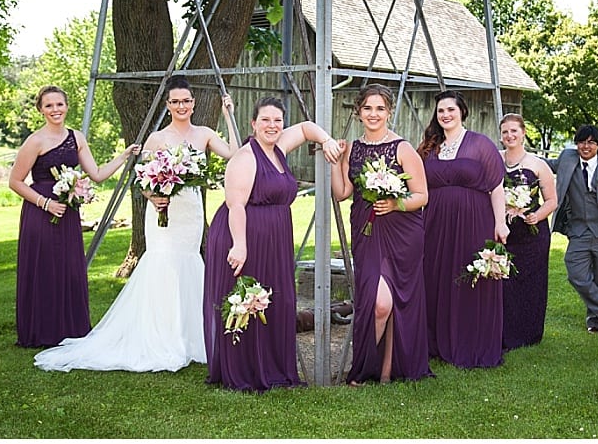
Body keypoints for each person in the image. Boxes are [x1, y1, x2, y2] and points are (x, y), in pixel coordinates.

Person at [34, 76, 238, 371]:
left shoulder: (204, 133)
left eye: (186, 101)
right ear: (168, 106)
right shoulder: (156, 139)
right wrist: (153, 198)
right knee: (162, 265)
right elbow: (141, 178)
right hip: (161, 214)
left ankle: (191, 337)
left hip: (190, 212)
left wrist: (229, 115)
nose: (181, 106)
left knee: (188, 264)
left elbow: (235, 152)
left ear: (193, 104)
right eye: (175, 101)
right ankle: (160, 337)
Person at [202, 96, 342, 392]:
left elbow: (305, 128)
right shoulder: (245, 157)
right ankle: (245, 372)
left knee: (275, 302)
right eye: (265, 119)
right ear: (253, 124)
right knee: (248, 301)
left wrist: (327, 140)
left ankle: (274, 368)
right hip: (244, 235)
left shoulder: (278, 148)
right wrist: (239, 245)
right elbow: (235, 206)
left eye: (277, 120)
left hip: (275, 238)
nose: (272, 125)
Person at [9, 85, 141, 348]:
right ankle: (42, 330)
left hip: (68, 212)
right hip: (41, 212)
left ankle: (71, 328)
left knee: (69, 269)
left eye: (59, 104)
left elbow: (97, 174)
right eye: (49, 105)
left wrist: (125, 156)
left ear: (67, 106)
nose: (55, 110)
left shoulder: (76, 137)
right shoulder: (35, 141)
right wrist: (45, 203)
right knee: (45, 268)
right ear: (41, 110)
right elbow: (15, 181)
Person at [329, 84, 432, 386]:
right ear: (359, 112)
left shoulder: (402, 148)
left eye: (380, 109)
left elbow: (422, 195)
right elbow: (343, 192)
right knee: (378, 303)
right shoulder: (355, 149)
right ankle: (369, 368)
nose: (374, 114)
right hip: (367, 230)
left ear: (388, 112)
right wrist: (337, 163)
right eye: (368, 108)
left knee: (391, 303)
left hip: (402, 232)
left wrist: (396, 202)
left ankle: (383, 370)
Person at [418, 90, 509, 368]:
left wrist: (500, 222)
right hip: (435, 224)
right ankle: (437, 341)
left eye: (451, 110)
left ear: (462, 113)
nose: (445, 115)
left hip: (474, 221)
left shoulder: (480, 144)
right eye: (441, 111)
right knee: (437, 276)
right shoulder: (430, 147)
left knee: (470, 278)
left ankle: (471, 342)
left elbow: (496, 187)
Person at [546, 124, 598, 334]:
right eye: (582, 142)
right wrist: (512, 153)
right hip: (579, 231)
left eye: (591, 142)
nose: (586, 146)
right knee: (576, 273)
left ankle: (596, 319)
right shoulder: (567, 159)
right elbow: (544, 164)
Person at [498, 113, 557, 350]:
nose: (509, 136)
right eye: (505, 132)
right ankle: (503, 332)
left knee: (530, 282)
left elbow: (552, 200)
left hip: (532, 232)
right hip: (504, 231)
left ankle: (529, 333)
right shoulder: (495, 160)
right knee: (504, 281)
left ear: (523, 133)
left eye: (514, 131)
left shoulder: (537, 164)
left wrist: (537, 215)